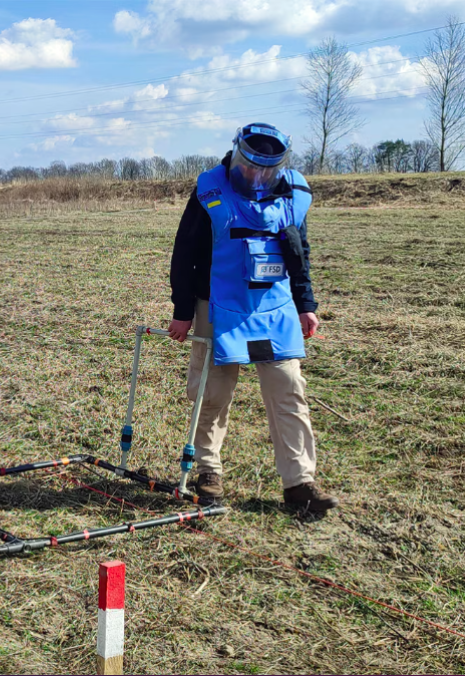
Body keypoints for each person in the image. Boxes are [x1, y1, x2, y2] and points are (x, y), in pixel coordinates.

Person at [167, 122, 339, 516]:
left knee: (289, 389)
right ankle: (207, 472)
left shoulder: (294, 195)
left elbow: (300, 252)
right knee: (211, 393)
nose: (256, 176)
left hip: (273, 310)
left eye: (267, 170)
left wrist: (305, 303)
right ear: (236, 155)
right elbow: (185, 250)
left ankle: (300, 485)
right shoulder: (209, 190)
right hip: (216, 306)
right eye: (249, 166)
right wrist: (182, 312)